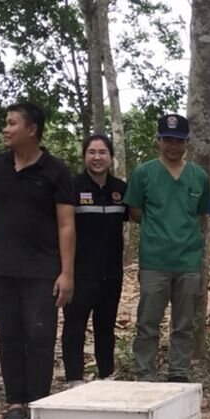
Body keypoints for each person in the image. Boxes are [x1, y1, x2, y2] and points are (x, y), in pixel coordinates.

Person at [0, 101, 75, 419]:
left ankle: (38, 403)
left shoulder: (55, 171)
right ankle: (15, 402)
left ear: (32, 129)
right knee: (10, 335)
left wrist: (67, 273)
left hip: (42, 270)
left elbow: (66, 224)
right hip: (0, 268)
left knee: (39, 335)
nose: (6, 129)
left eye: (12, 123)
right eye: (6, 123)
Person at [124, 113, 210, 383]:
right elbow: (135, 211)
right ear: (158, 141)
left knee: (184, 323)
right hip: (154, 260)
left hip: (188, 260)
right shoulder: (144, 173)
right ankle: (145, 374)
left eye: (179, 140)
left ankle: (179, 373)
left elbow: (200, 214)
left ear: (187, 143)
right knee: (148, 322)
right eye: (168, 139)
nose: (173, 145)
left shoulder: (199, 176)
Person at [62, 133, 127, 386]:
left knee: (106, 326)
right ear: (84, 156)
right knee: (75, 325)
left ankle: (106, 375)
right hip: (79, 271)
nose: (97, 157)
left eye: (102, 152)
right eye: (92, 152)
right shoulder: (72, 186)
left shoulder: (120, 189)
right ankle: (74, 378)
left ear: (111, 157)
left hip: (111, 272)